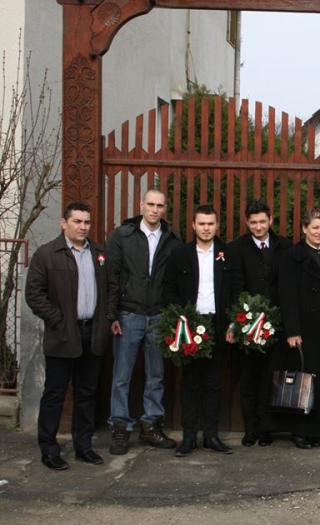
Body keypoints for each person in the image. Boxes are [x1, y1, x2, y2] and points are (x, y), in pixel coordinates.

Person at [25, 202, 113, 470]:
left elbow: (112, 288)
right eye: (77, 221)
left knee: (87, 394)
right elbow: (34, 295)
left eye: (86, 222)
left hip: (92, 333)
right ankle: (49, 449)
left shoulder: (99, 253)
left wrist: (106, 318)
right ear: (64, 223)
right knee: (55, 393)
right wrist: (58, 320)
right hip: (62, 335)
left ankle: (83, 447)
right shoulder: (47, 254)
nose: (83, 227)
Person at [105, 189, 182, 455]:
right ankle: (120, 428)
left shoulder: (172, 239)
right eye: (150, 204)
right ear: (141, 205)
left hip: (159, 315)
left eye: (160, 205)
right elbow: (111, 276)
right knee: (121, 375)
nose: (154, 210)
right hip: (129, 313)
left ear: (165, 208)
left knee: (156, 375)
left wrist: (172, 314)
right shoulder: (122, 236)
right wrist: (112, 315)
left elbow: (175, 280)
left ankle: (151, 426)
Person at [163, 205, 243, 457]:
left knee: (213, 383)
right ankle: (189, 438)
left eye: (210, 224)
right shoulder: (180, 254)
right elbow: (169, 289)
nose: (206, 228)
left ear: (217, 225)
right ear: (193, 225)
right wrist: (180, 320)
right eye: (202, 224)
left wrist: (233, 324)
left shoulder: (228, 254)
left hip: (218, 325)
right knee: (190, 382)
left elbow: (237, 291)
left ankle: (211, 436)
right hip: (189, 325)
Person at [277, 208, 320, 448]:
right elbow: (287, 295)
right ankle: (300, 432)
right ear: (304, 228)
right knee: (305, 380)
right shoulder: (292, 256)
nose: (319, 232)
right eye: (315, 227)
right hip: (305, 328)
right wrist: (293, 330)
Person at [228, 199, 291, 448]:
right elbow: (235, 286)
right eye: (253, 222)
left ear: (270, 220)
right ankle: (251, 429)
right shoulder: (236, 248)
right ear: (247, 222)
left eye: (262, 221)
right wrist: (238, 320)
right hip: (248, 324)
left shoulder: (284, 246)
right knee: (248, 378)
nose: (258, 226)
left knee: (271, 378)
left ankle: (267, 428)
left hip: (277, 324)